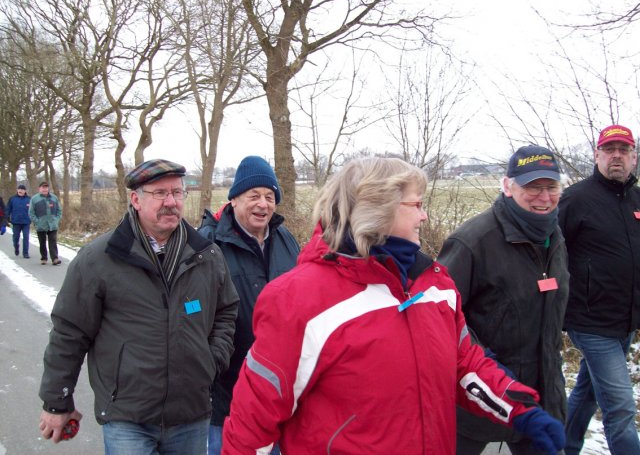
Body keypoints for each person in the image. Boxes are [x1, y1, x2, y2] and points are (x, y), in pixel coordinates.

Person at [222, 157, 565, 455]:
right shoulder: (299, 299)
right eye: (416, 205)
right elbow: (255, 416)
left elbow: (464, 363)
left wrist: (519, 409)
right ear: (378, 209)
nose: (424, 216)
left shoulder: (435, 285)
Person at [38, 159, 239, 455]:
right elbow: (70, 332)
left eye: (177, 192)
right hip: (128, 416)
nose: (170, 202)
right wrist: (57, 401)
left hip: (191, 413)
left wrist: (211, 360)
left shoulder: (206, 255)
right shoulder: (99, 259)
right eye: (160, 193)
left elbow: (226, 311)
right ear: (136, 199)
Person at [438, 145, 570, 455]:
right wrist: (488, 375)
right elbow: (440, 316)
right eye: (533, 187)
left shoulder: (554, 236)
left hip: (540, 397)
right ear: (508, 187)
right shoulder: (472, 241)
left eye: (551, 187)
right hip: (481, 401)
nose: (544, 197)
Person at [198, 155, 300, 455]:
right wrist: (209, 369)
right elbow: (193, 314)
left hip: (281, 393)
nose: (263, 204)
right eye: (253, 196)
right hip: (227, 394)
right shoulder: (208, 243)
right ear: (234, 200)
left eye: (269, 196)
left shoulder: (285, 239)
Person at [559, 124, 640, 455]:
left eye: (624, 150)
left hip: (626, 320)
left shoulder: (637, 200)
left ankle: (562, 447)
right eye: (609, 150)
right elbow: (550, 251)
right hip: (590, 320)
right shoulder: (576, 199)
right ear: (597, 156)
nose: (616, 156)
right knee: (620, 407)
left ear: (634, 157)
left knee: (587, 392)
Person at [28, 181, 62, 265]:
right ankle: (44, 258)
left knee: (53, 242)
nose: (45, 189)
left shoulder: (54, 198)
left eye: (46, 187)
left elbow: (59, 210)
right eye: (43, 187)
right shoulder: (34, 199)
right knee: (42, 242)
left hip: (52, 224)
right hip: (41, 225)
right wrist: (37, 222)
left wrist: (56, 219)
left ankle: (55, 258)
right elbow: (31, 213)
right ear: (39, 189)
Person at [6, 184, 32, 258]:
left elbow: (33, 210)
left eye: (22, 189)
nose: (20, 190)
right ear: (17, 190)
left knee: (26, 237)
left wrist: (33, 219)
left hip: (26, 222)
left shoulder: (29, 199)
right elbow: (8, 209)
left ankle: (25, 253)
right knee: (16, 237)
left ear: (25, 191)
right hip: (16, 222)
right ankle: (16, 247)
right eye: (19, 189)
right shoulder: (12, 199)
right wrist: (7, 218)